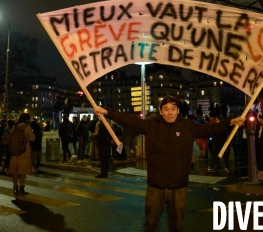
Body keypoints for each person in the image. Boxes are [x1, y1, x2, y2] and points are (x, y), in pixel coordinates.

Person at [94, 96, 245, 232]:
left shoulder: (188, 127)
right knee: (151, 225)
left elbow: (211, 130)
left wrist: (230, 122)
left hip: (178, 187)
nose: (170, 113)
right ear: (160, 112)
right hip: (155, 187)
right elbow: (130, 121)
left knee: (177, 227)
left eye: (173, 109)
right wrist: (108, 112)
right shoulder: (152, 126)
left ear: (178, 111)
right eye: (166, 109)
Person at [7, 113, 36, 195]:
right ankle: (21, 188)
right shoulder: (27, 128)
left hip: (14, 151)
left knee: (15, 171)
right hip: (24, 152)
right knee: (23, 170)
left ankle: (15, 187)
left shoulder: (14, 127)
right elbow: (32, 138)